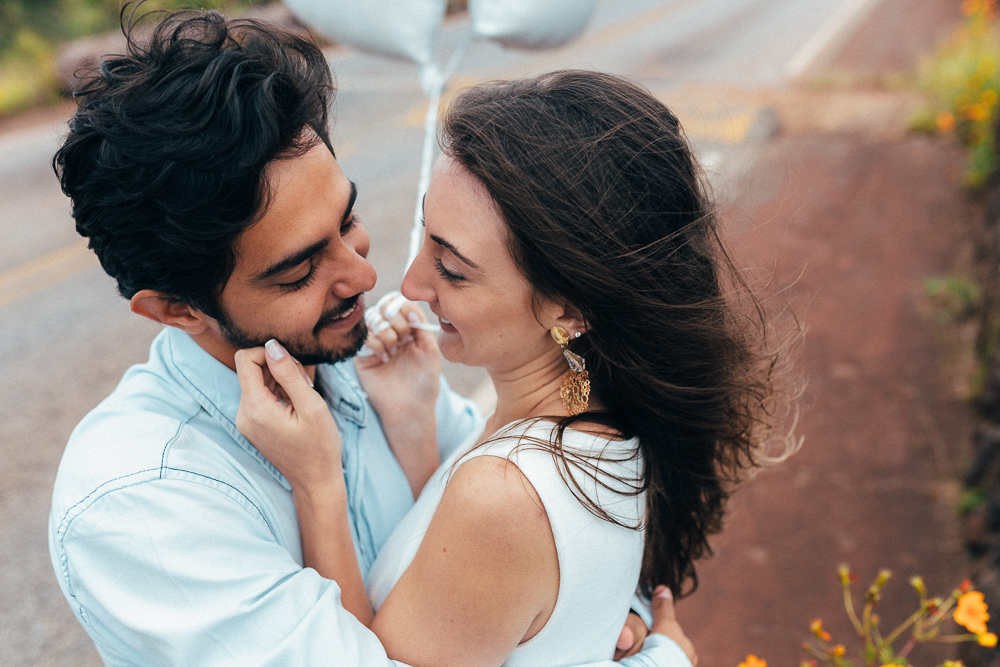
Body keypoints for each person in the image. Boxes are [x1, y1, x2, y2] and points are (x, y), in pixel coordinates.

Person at [47, 8, 692, 666]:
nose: (368, 275)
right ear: (178, 309)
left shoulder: (370, 359)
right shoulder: (140, 504)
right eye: (300, 269)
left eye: (347, 219)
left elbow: (539, 519)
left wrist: (618, 611)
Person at [236, 71, 785, 666]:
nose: (411, 284)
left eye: (452, 267)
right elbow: (465, 594)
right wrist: (414, 424)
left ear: (570, 307)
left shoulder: (506, 493)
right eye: (426, 234)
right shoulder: (590, 417)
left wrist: (316, 483)